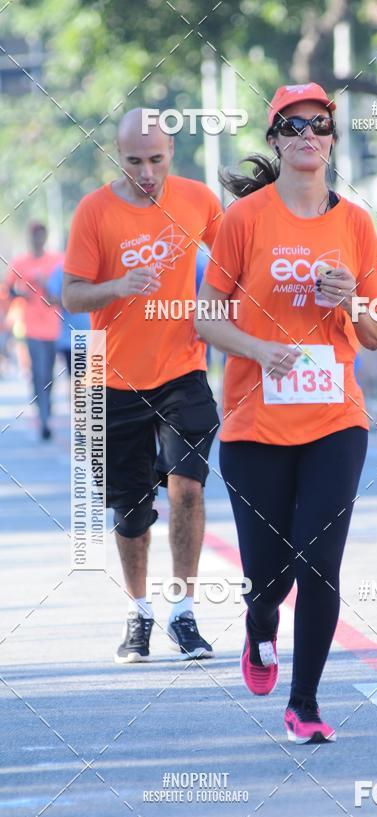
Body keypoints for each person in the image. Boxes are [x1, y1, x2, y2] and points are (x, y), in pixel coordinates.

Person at [196, 82, 377, 743]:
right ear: (275, 139)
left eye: (320, 124)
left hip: (336, 420)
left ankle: (304, 703)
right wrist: (259, 350)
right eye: (294, 125)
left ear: (333, 139)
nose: (309, 135)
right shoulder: (244, 220)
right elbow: (204, 318)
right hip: (254, 423)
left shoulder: (356, 224)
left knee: (319, 563)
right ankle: (259, 620)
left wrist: (351, 301)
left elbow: (376, 333)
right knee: (270, 576)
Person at [62, 108, 222, 664]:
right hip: (114, 378)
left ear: (171, 152)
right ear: (117, 156)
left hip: (183, 370)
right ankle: (139, 611)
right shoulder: (94, 211)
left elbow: (236, 259)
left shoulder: (198, 200)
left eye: (156, 159)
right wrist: (118, 286)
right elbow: (72, 294)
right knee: (131, 511)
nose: (147, 172)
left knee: (188, 489)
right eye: (134, 161)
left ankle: (184, 611)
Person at [5, 222, 63, 440]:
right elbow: (8, 289)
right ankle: (44, 418)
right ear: (30, 238)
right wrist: (21, 294)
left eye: (41, 235)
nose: (38, 239)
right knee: (38, 371)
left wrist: (47, 284)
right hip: (31, 326)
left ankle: (46, 406)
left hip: (54, 325)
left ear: (45, 237)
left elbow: (66, 287)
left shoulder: (56, 260)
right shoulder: (20, 262)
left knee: (49, 373)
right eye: (34, 235)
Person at [46, 261, 91, 376]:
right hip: (73, 336)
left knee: (96, 381)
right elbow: (50, 299)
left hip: (98, 334)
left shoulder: (100, 266)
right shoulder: (62, 270)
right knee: (79, 378)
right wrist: (72, 300)